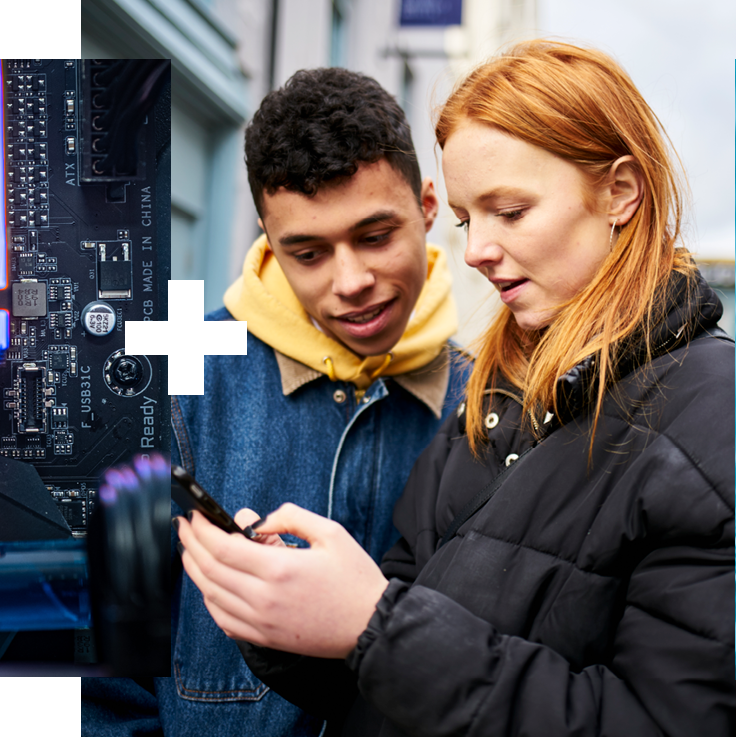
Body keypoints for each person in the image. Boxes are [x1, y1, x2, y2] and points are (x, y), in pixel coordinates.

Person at [176, 39, 735, 736]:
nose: (474, 251)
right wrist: (291, 614)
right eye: (471, 221)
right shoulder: (495, 395)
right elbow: (390, 658)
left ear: (620, 192)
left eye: (511, 211)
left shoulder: (712, 414)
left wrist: (371, 620)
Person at [83, 68, 470, 736]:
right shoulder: (168, 378)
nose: (352, 281)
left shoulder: (488, 400)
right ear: (268, 236)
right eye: (309, 252)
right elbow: (103, 673)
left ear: (428, 206)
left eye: (376, 236)